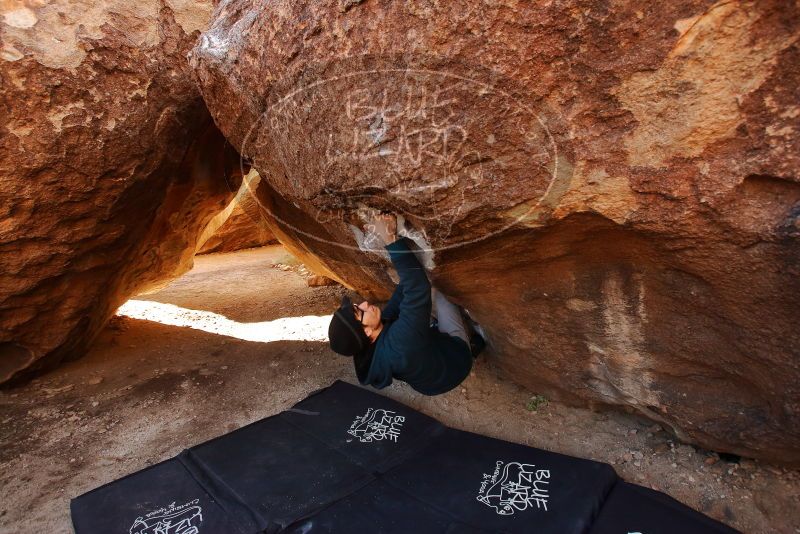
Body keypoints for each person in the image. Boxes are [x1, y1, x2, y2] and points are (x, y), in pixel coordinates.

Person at [328, 213, 485, 395]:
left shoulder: (370, 342)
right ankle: (470, 348)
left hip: (428, 380)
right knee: (439, 291)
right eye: (359, 311)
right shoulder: (400, 343)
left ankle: (431, 328)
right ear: (367, 332)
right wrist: (389, 238)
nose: (363, 303)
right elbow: (418, 287)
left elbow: (403, 294)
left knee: (419, 312)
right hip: (455, 365)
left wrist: (401, 257)